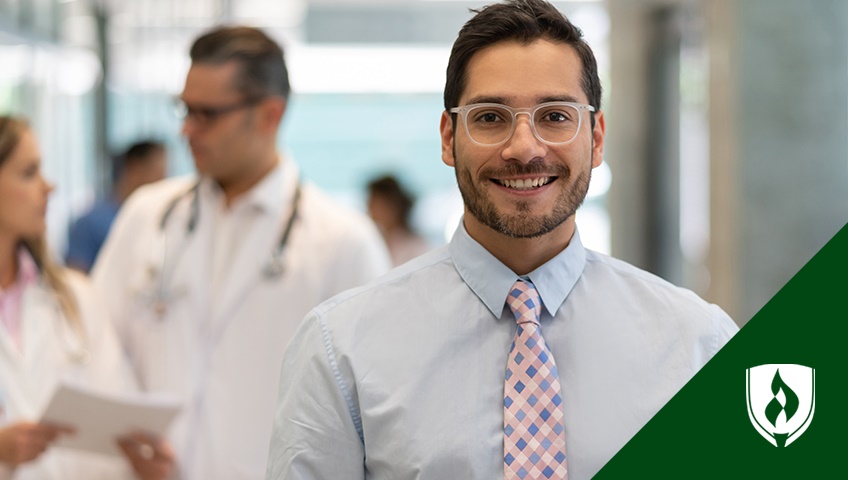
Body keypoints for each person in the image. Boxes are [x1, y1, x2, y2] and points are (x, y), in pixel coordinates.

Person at [266, 1, 739, 478]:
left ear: (595, 138)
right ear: (449, 137)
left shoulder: (699, 345)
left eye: (555, 116)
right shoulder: (341, 348)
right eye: (491, 117)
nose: (524, 149)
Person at [91, 26, 391, 480]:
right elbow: (97, 346)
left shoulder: (343, 244)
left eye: (207, 114)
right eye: (185, 110)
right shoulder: (147, 216)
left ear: (269, 114)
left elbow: (370, 412)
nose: (186, 129)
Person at [0, 113, 173, 479]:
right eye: (28, 173)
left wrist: (145, 464)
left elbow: (118, 425)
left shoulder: (75, 299)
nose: (48, 187)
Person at [65, 140, 167, 273]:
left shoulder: (157, 221)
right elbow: (75, 278)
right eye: (158, 174)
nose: (164, 183)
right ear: (135, 168)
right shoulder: (90, 223)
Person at [366, 174, 431, 266]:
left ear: (392, 207)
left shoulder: (415, 247)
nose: (370, 211)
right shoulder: (377, 241)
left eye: (374, 205)